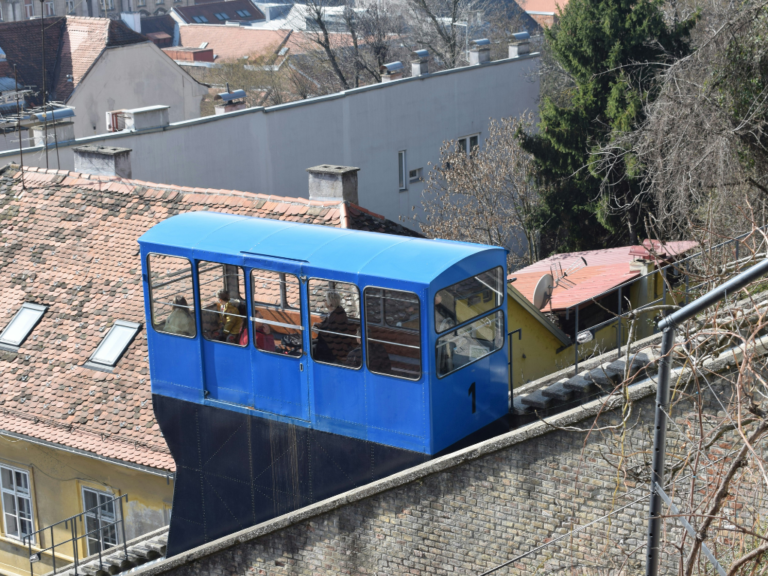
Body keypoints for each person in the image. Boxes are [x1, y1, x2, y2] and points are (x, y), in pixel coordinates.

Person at [313, 290, 353, 363]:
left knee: (311, 348)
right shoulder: (334, 312)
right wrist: (320, 325)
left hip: (332, 348)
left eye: (325, 300)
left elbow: (332, 334)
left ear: (330, 303)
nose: (324, 301)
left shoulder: (337, 316)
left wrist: (318, 331)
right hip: (329, 343)